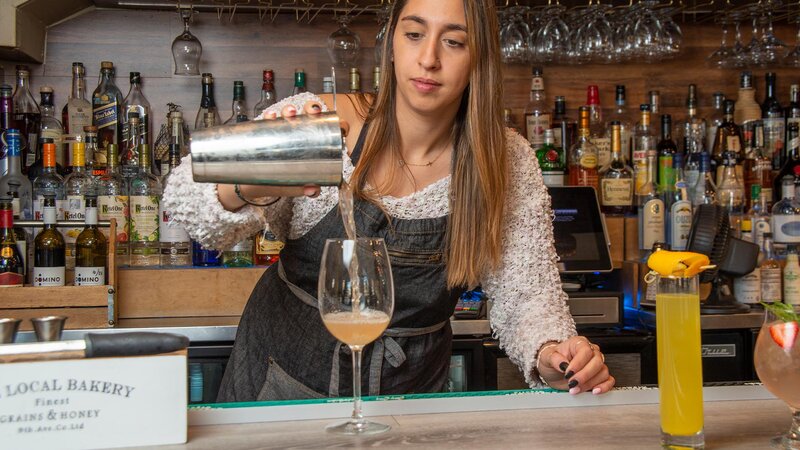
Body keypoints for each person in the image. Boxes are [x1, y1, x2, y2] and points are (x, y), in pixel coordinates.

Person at [163, 0, 615, 402]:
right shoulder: (324, 122)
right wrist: (254, 181)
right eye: (414, 34)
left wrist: (554, 353)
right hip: (278, 387)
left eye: (454, 42)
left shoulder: (506, 159)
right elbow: (188, 201)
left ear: (480, 58)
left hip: (411, 403)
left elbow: (528, 296)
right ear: (392, 44)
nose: (429, 58)